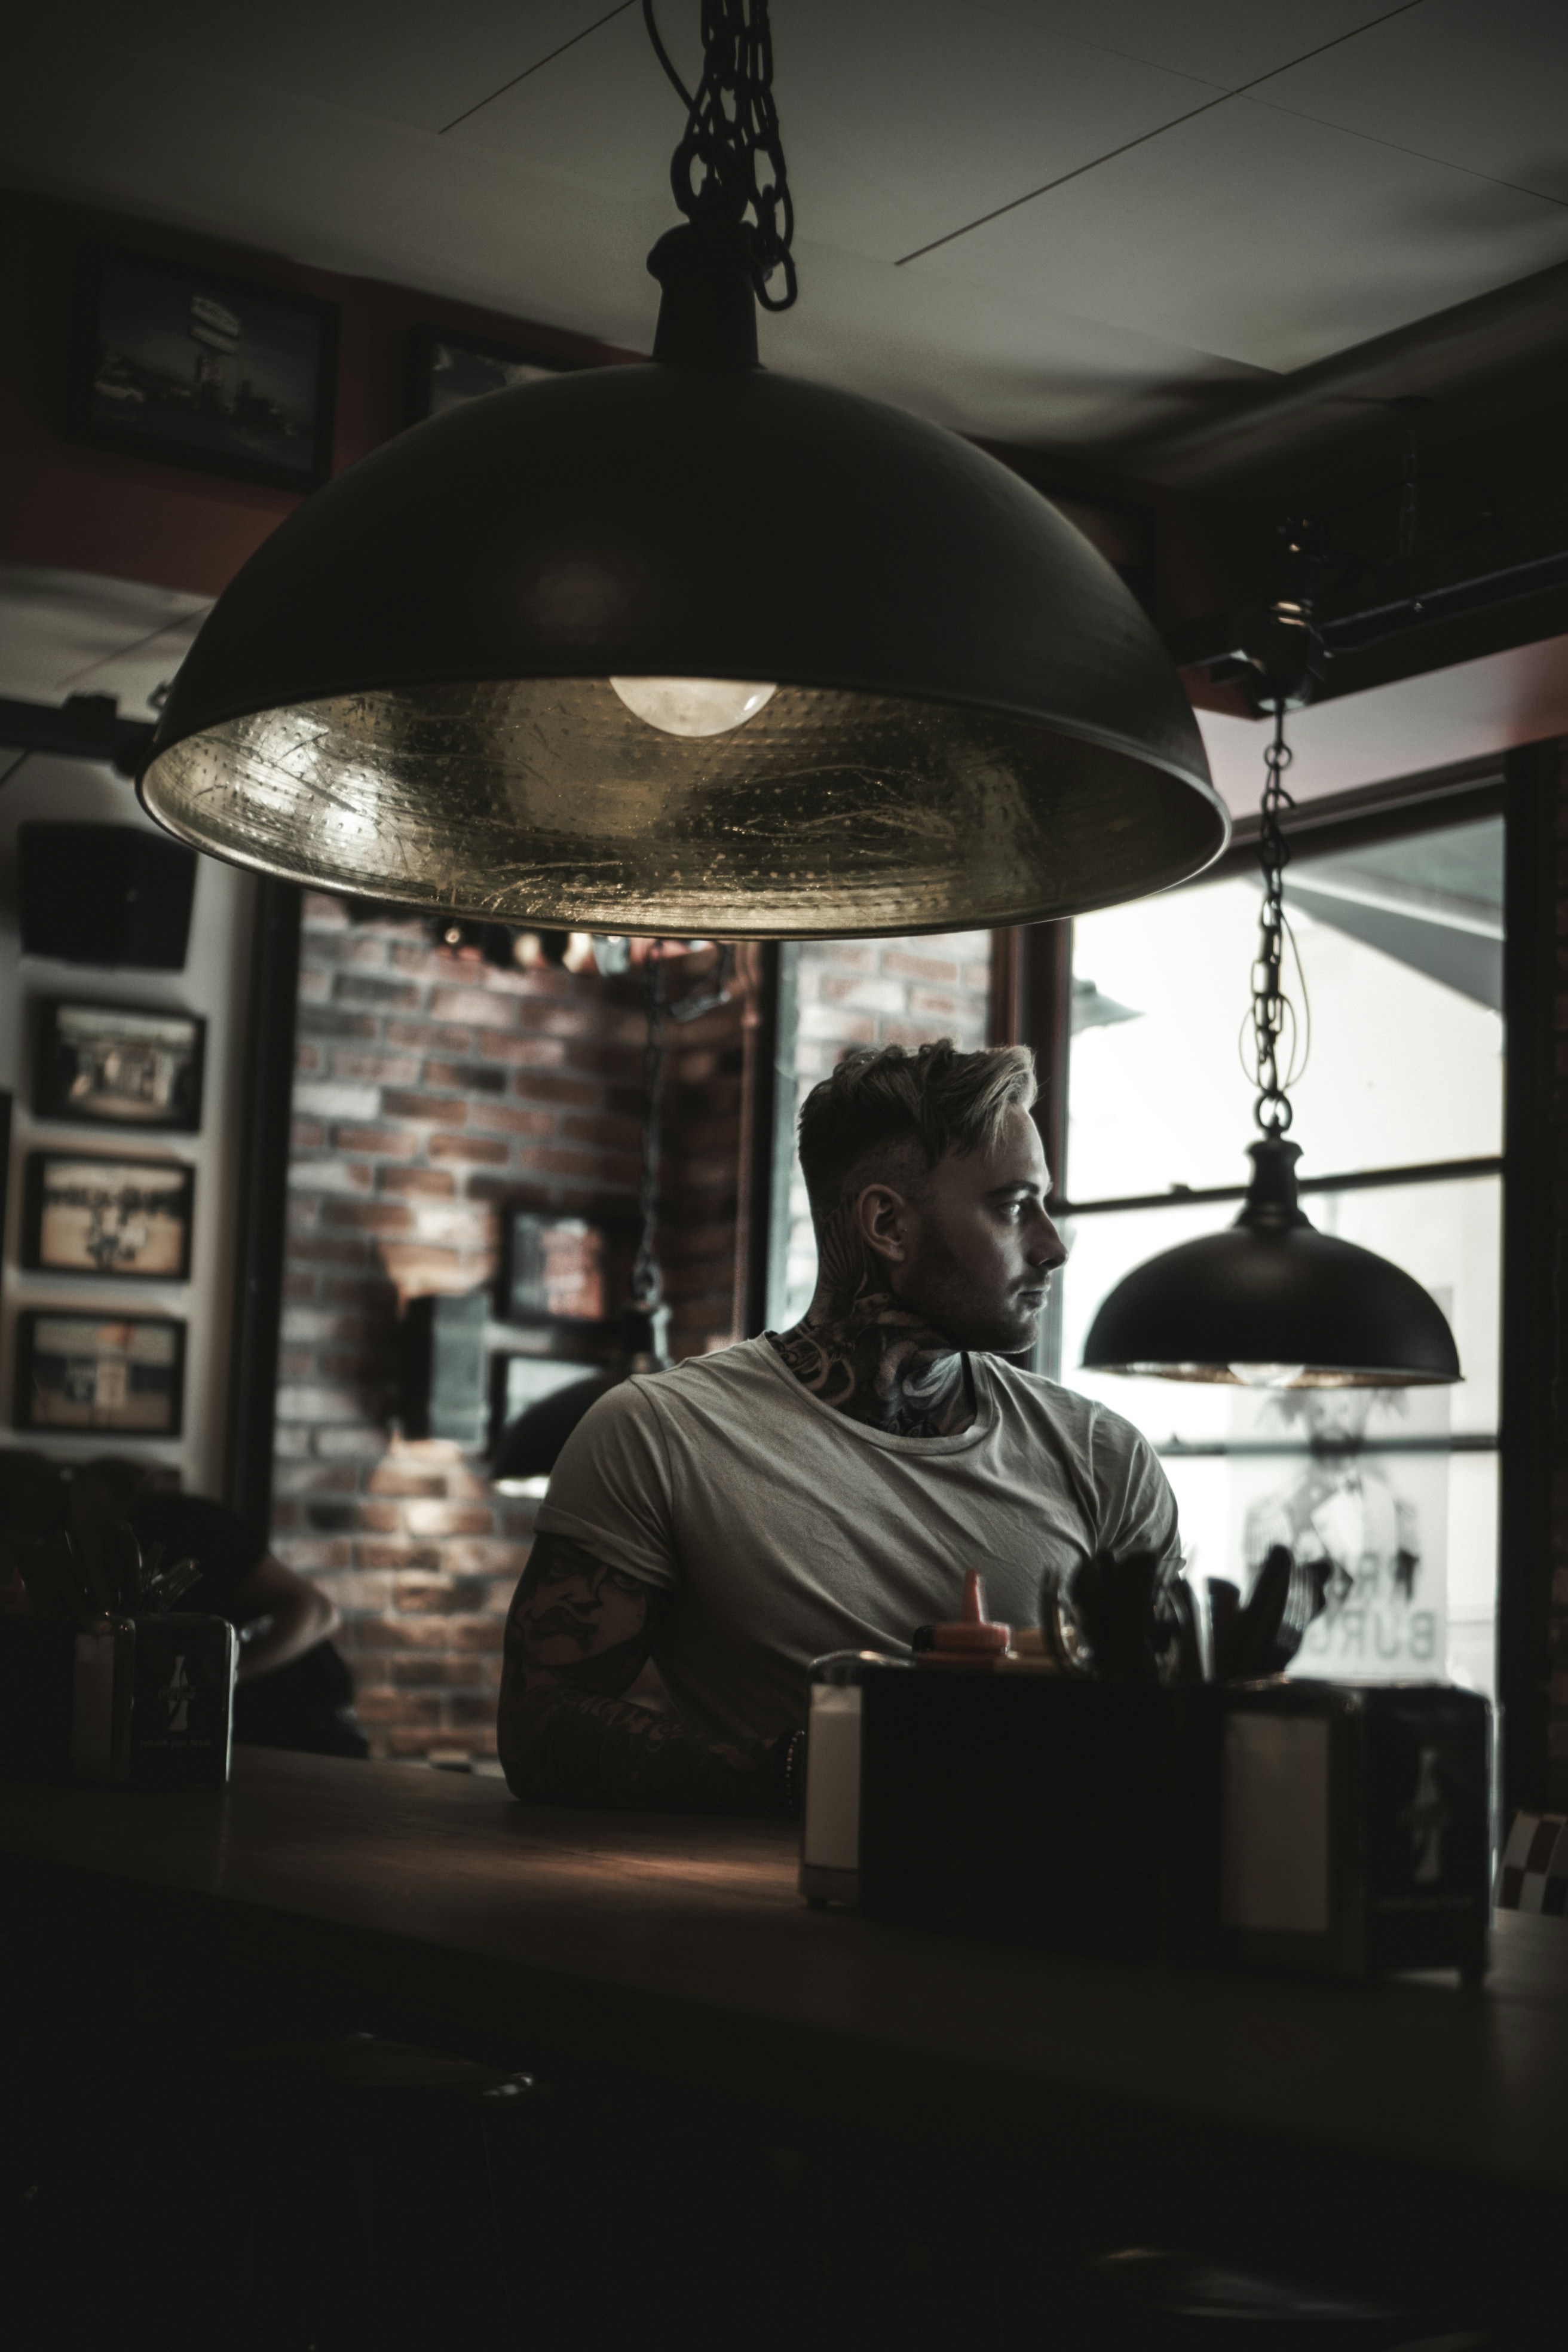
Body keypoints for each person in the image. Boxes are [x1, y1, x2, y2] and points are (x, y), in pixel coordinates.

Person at [497, 1037, 1183, 1814]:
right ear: (888, 1224)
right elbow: (540, 1728)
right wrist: (816, 1769)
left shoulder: (1104, 1459)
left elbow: (1173, 1737)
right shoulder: (660, 1435)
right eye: (1015, 1207)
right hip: (777, 1923)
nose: (1052, 1247)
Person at [0, 1454, 368, 1758]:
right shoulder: (81, 1566)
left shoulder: (183, 1523)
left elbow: (317, 1611)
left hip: (307, 1735)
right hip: (218, 1742)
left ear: (88, 1489)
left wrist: (230, 1676)